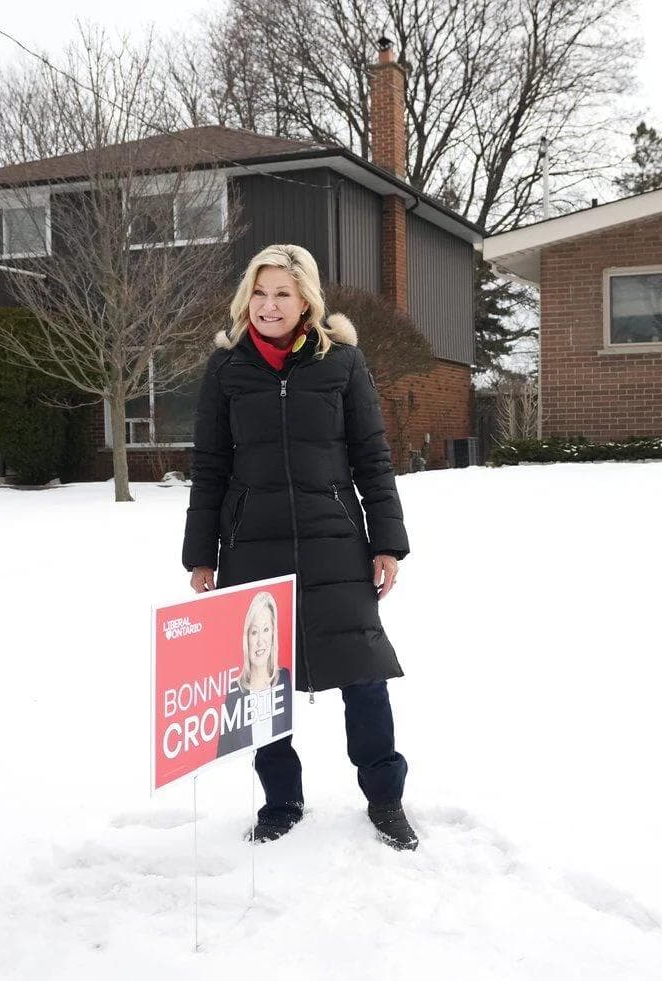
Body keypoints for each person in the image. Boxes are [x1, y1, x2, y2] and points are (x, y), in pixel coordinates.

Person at [182, 243, 418, 851]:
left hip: (335, 543)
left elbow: (372, 455)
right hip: (250, 545)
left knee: (364, 676)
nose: (268, 305)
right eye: (259, 293)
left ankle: (385, 799)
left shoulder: (342, 363)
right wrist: (201, 553)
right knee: (262, 682)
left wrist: (386, 542)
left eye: (282, 293)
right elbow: (209, 466)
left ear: (306, 298)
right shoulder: (227, 368)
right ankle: (281, 802)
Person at [216, 590, 293, 755]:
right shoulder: (235, 692)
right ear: (247, 638)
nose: (260, 641)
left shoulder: (285, 679)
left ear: (273, 634)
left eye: (266, 629)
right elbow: (223, 755)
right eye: (254, 632)